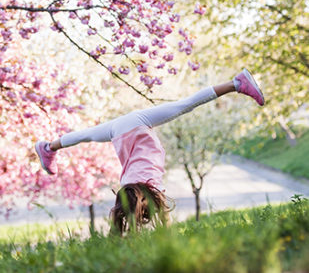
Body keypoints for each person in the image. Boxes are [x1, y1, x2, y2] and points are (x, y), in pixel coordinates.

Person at [35, 68, 264, 234]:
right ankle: (49, 147)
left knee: (185, 105)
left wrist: (166, 234)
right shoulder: (126, 185)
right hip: (119, 130)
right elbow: (123, 210)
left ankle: (237, 83)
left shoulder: (153, 183)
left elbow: (164, 217)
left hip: (136, 123)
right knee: (87, 134)